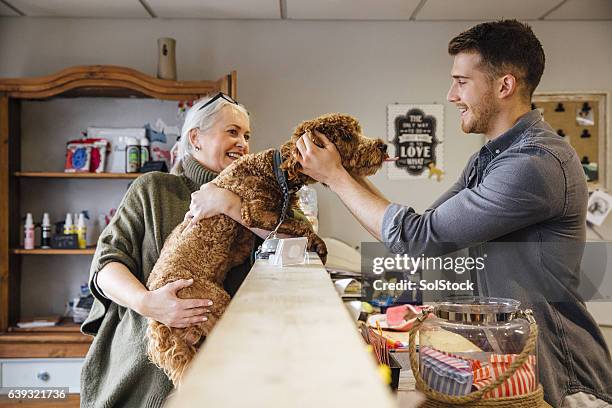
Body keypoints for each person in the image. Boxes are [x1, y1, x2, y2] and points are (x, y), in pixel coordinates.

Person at [294, 20, 612, 407]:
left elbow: (418, 240)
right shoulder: (491, 158)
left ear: (504, 85)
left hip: (560, 381)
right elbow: (420, 228)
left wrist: (337, 177)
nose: (451, 94)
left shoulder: (535, 164)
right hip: (506, 370)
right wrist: (345, 175)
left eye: (462, 82)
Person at [80, 93, 256, 407]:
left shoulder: (251, 203)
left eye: (246, 135)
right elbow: (106, 265)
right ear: (196, 138)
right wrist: (148, 303)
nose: (242, 142)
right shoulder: (154, 189)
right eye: (232, 131)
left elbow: (298, 241)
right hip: (144, 366)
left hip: (224, 369)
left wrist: (230, 204)